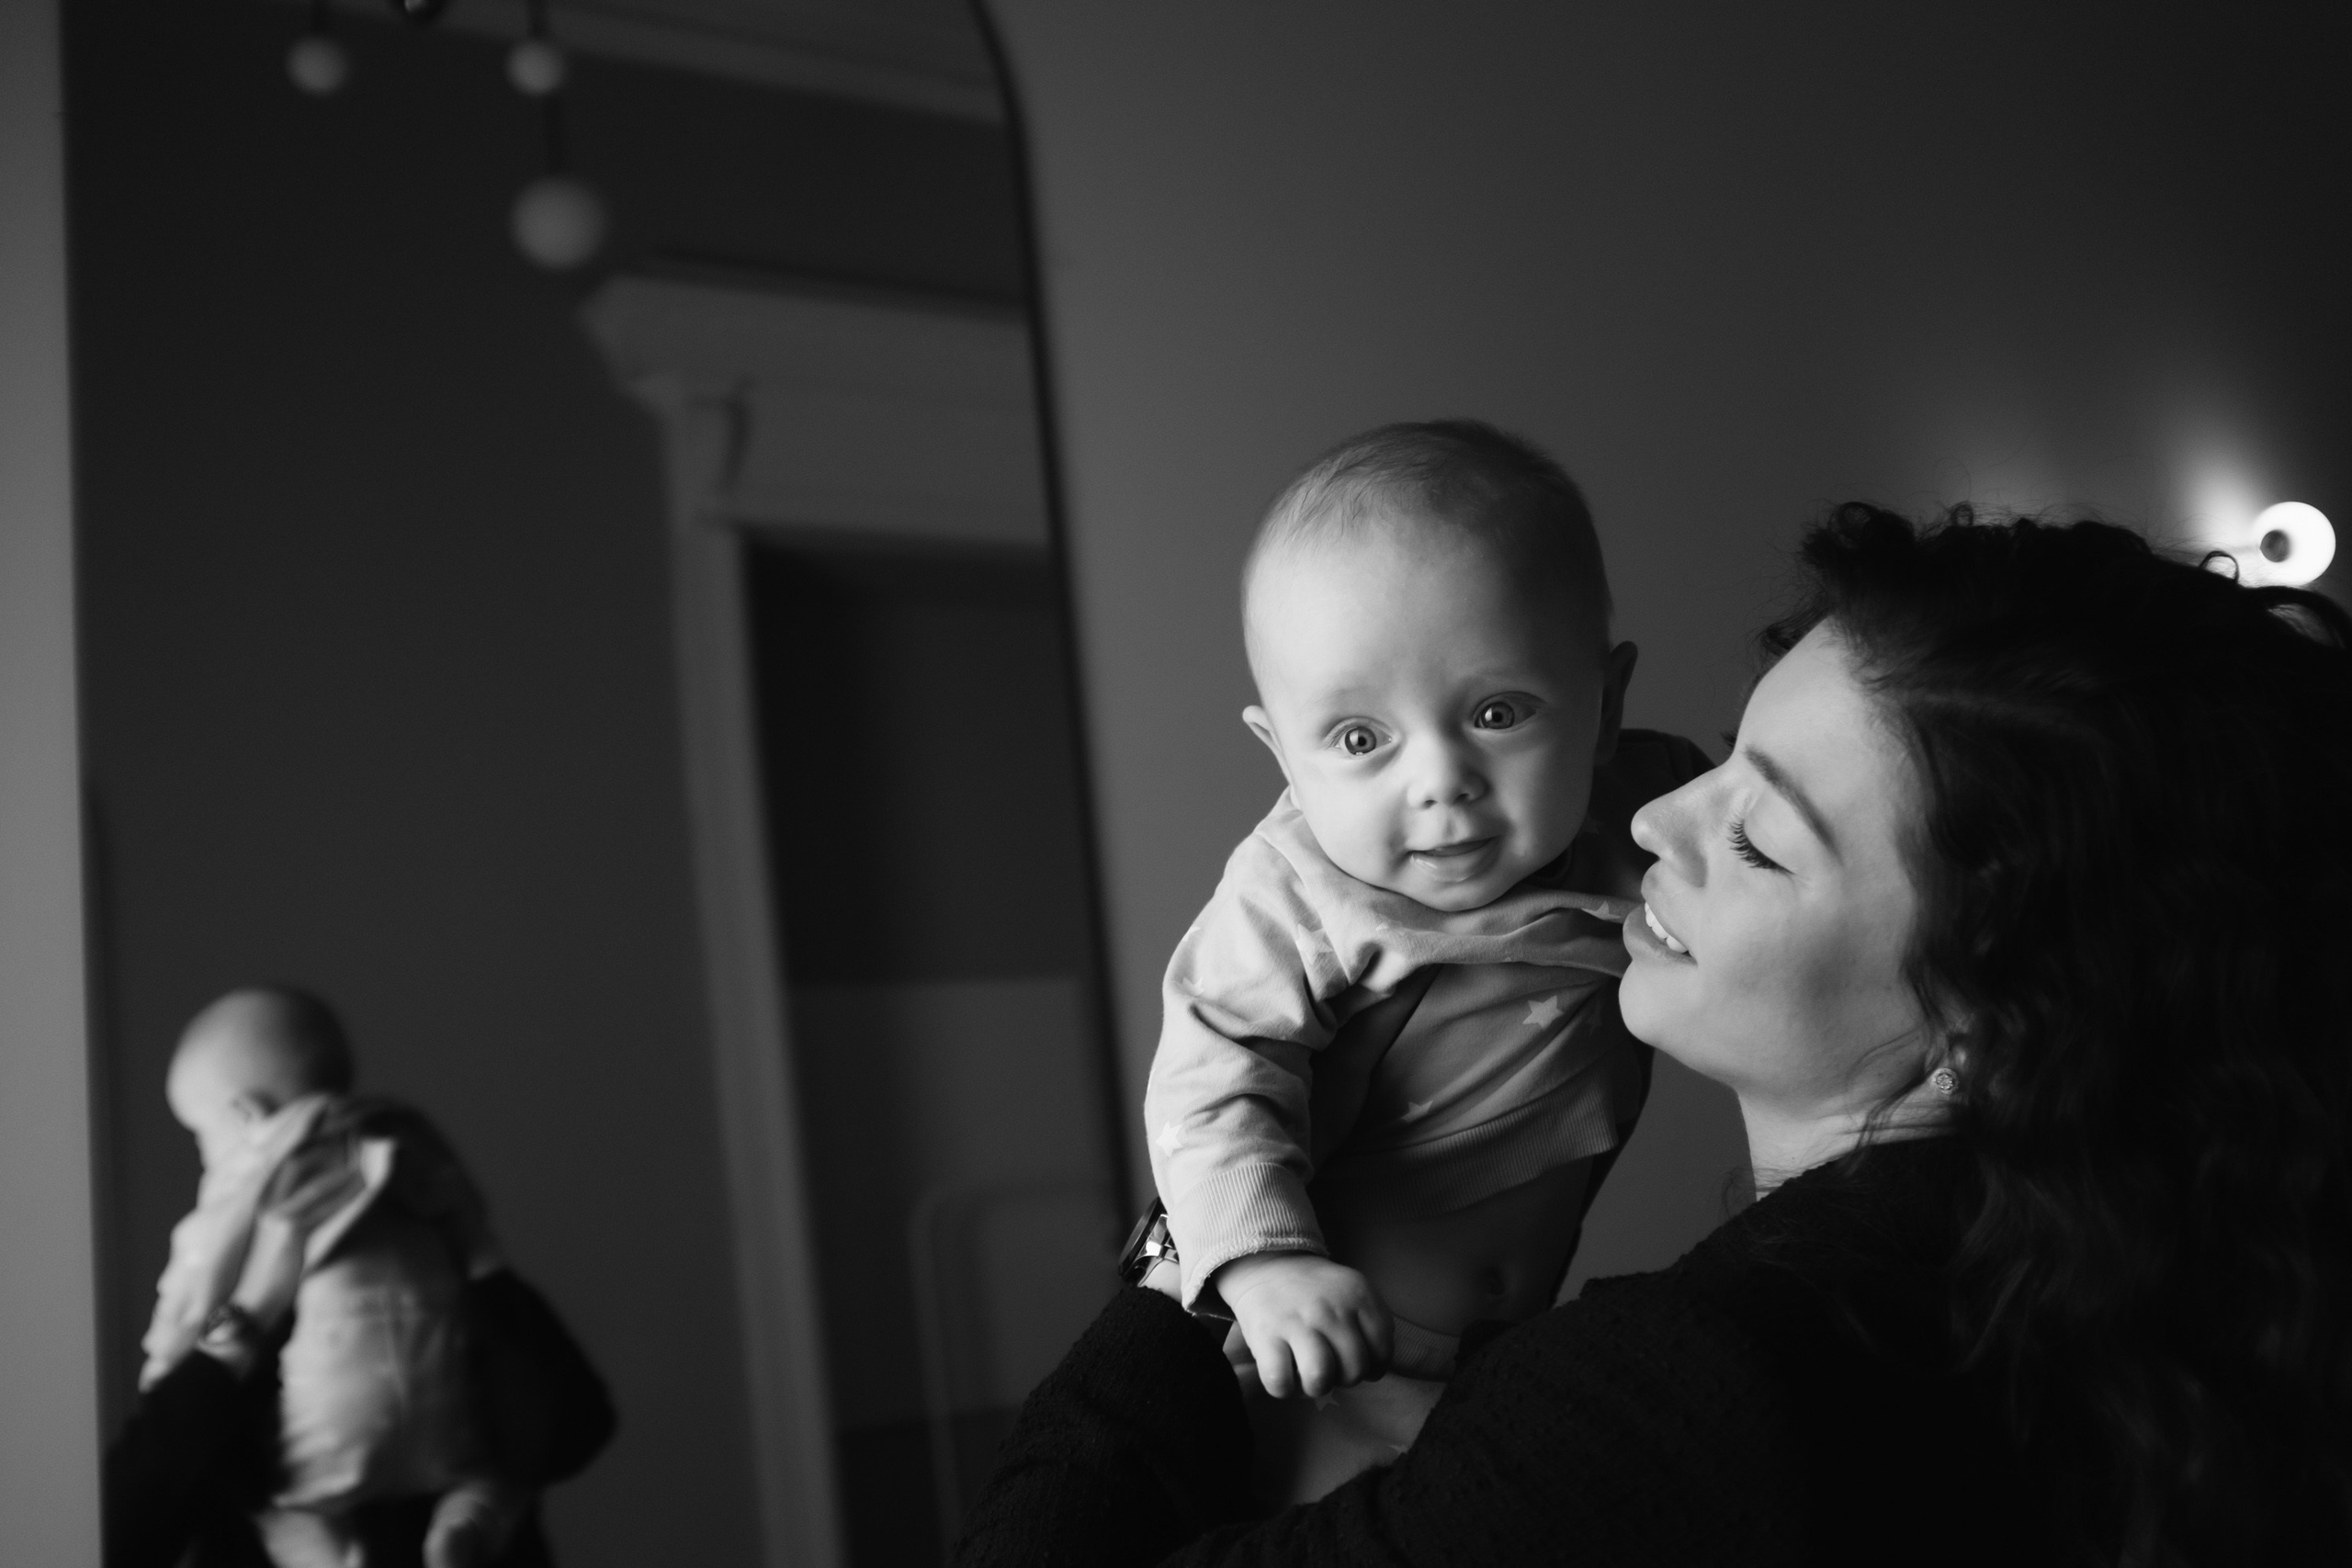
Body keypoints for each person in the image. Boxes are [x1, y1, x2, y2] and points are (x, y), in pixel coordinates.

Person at [959, 505, 2352, 1566]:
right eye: (1723, 759)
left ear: (1995, 1026)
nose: (1648, 818)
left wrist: (1178, 1270)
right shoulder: (2076, 1314)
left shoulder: (1700, 1391)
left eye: (1754, 834)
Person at [1143, 421, 1707, 1498]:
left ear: (1605, 708)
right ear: (1283, 756)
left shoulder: (1649, 811)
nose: (1442, 780)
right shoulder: (1296, 894)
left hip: (1508, 1352)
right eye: (1359, 739)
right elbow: (1213, 1076)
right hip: (1330, 1358)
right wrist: (1266, 1266)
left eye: (1498, 712)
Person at [118, 987, 615, 1568]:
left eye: (200, 1135)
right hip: (438, 1468)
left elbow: (567, 1431)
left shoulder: (243, 1199)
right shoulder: (405, 1161)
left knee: (286, 1506)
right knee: (488, 1483)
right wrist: (257, 1299)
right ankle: (469, 1516)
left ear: (244, 1115)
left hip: (325, 1492)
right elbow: (129, 1522)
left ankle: (342, 1544)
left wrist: (479, 1255)